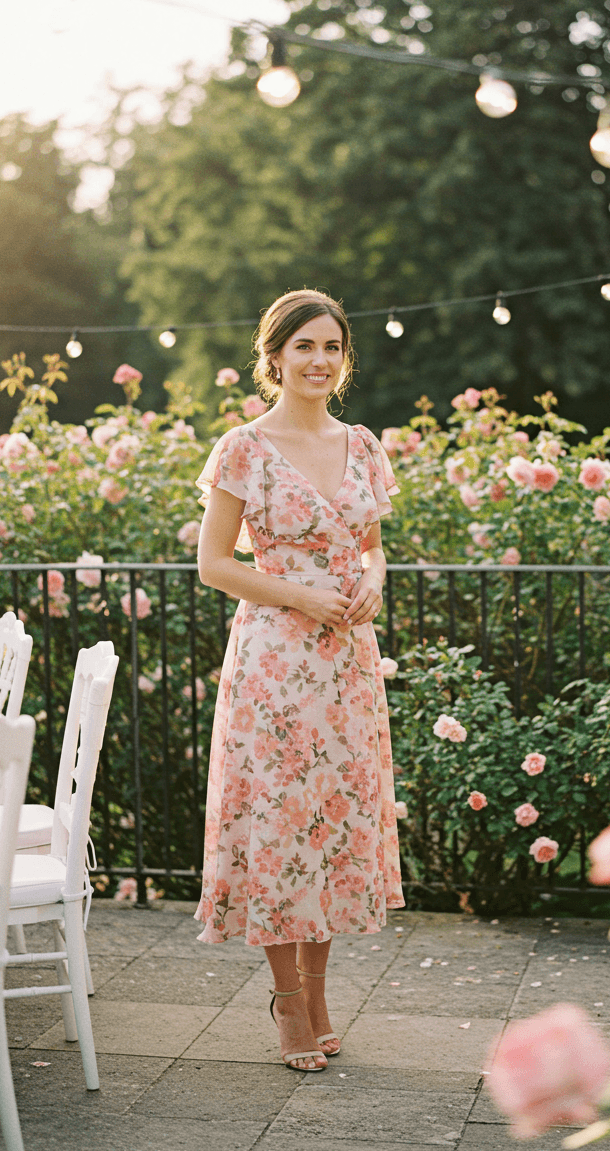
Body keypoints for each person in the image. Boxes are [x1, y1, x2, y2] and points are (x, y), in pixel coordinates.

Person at [194, 289, 405, 1072]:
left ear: (344, 359)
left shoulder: (363, 445)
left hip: (348, 662)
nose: (318, 360)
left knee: (332, 825)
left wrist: (374, 579)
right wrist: (300, 594)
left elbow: (373, 544)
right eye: (303, 347)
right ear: (274, 356)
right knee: (284, 826)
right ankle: (289, 1006)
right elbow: (215, 565)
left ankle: (318, 996)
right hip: (275, 665)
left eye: (331, 347)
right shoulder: (243, 448)